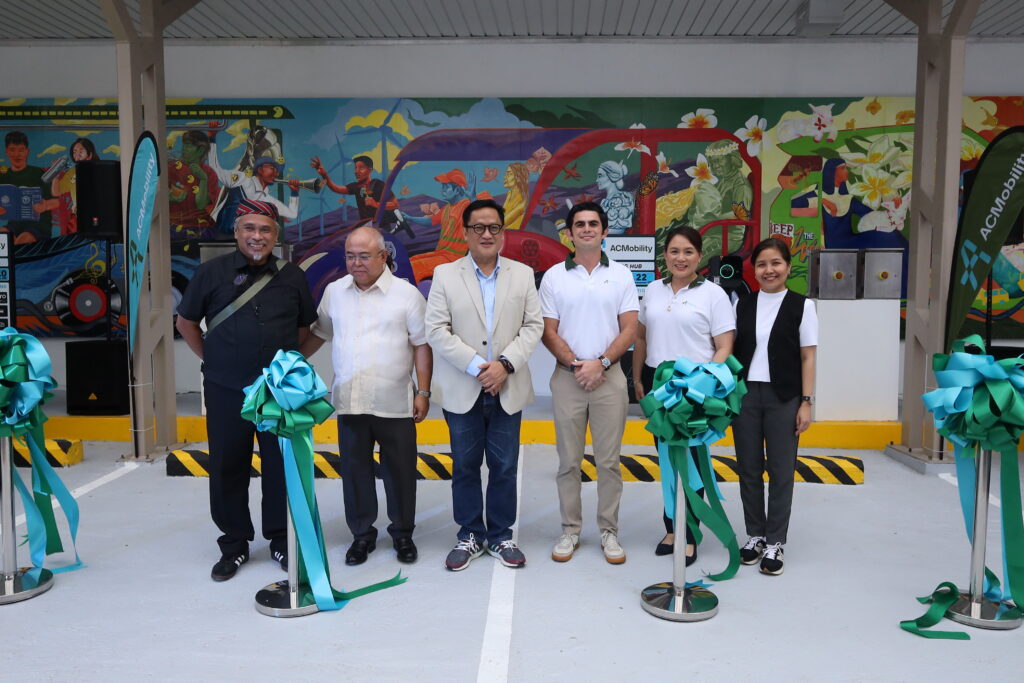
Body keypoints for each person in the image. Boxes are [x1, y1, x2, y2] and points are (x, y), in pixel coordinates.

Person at [176, 198, 317, 581]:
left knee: (280, 466)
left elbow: (304, 327)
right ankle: (234, 543)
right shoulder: (211, 273)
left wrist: (285, 369)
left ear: (276, 235)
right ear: (237, 233)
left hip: (277, 392)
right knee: (227, 465)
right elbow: (186, 323)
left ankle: (280, 540)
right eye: (250, 229)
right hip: (225, 389)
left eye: (265, 229)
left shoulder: (292, 276)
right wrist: (215, 360)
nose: (257, 236)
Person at [299, 226, 432, 566]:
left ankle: (402, 535)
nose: (356, 263)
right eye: (350, 256)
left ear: (383, 257)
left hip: (395, 402)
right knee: (355, 472)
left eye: (364, 256)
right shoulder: (334, 292)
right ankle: (362, 536)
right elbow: (320, 333)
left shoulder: (406, 295)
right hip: (350, 401)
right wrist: (291, 360)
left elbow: (421, 345)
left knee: (400, 472)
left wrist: (423, 391)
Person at [425, 198, 543, 571]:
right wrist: (480, 367)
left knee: (504, 465)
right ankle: (470, 534)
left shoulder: (522, 274)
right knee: (464, 465)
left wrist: (504, 365)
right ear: (465, 232)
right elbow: (436, 329)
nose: (486, 234)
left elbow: (533, 326)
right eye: (478, 227)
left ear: (502, 232)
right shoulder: (445, 275)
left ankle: (501, 535)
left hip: (507, 386)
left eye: (494, 227)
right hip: (463, 386)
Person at [539, 201, 639, 564]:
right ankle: (570, 530)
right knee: (568, 462)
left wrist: (602, 363)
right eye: (579, 224)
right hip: (568, 379)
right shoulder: (554, 277)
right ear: (569, 233)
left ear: (604, 231)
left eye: (593, 224)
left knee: (609, 462)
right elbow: (547, 331)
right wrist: (577, 364)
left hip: (609, 379)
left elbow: (629, 328)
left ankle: (609, 531)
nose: (586, 229)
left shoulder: (622, 275)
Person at [633, 226, 735, 565]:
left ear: (699, 256)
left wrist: (702, 387)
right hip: (659, 388)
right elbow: (642, 338)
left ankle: (689, 534)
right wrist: (638, 379)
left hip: (693, 390)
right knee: (666, 459)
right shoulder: (653, 290)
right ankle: (671, 527)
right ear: (665, 255)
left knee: (690, 463)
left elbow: (724, 346)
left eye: (688, 251)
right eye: (674, 251)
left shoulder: (713, 295)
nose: (681, 258)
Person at [732, 237, 818, 576]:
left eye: (776, 263)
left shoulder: (802, 306)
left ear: (787, 266)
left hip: (784, 398)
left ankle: (775, 542)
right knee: (748, 469)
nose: (769, 270)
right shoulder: (743, 304)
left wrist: (806, 402)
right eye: (762, 264)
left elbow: (808, 356)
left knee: (782, 472)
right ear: (754, 269)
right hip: (746, 397)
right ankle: (755, 535)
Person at [207, 128, 301, 222]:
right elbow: (215, 170)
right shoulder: (241, 179)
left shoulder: (267, 199)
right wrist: (212, 138)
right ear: (260, 169)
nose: (276, 173)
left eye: (277, 171)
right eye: (272, 168)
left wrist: (294, 192)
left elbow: (292, 214)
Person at [407, 169, 479, 283]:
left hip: (456, 259)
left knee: (415, 267)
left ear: (457, 190)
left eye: (446, 187)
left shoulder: (467, 206)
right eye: (443, 187)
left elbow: (478, 219)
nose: (442, 190)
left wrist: (473, 198)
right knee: (409, 261)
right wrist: (409, 218)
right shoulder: (446, 208)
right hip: (442, 254)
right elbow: (429, 221)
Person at [310, 154, 398, 230]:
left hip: (381, 227)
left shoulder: (379, 184)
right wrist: (324, 174)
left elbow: (395, 204)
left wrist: (376, 204)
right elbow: (335, 188)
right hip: (366, 227)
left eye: (361, 168)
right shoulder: (356, 187)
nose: (356, 171)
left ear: (370, 170)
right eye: (355, 168)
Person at [0, 131, 54, 243]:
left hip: (39, 226)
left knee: (23, 239)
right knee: (2, 234)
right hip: (15, 225)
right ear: (6, 152)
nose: (17, 155)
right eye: (12, 150)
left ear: (27, 152)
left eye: (21, 150)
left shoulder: (38, 173)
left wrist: (45, 206)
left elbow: (56, 202)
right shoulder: (3, 176)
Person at [169, 130, 220, 239]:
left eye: (189, 146)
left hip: (201, 228)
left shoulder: (209, 173)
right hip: (174, 227)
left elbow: (201, 204)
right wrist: (170, 197)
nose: (184, 149)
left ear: (201, 150)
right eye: (184, 145)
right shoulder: (171, 168)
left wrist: (203, 179)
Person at [50, 137, 98, 236]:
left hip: (95, 216)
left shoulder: (98, 170)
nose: (77, 154)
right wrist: (56, 173)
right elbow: (56, 192)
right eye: (74, 151)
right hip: (76, 218)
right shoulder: (71, 173)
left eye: (81, 150)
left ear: (89, 155)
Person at [596, 160, 634, 235]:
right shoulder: (604, 202)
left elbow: (617, 231)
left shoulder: (623, 198)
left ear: (612, 176)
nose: (597, 180)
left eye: (600, 176)